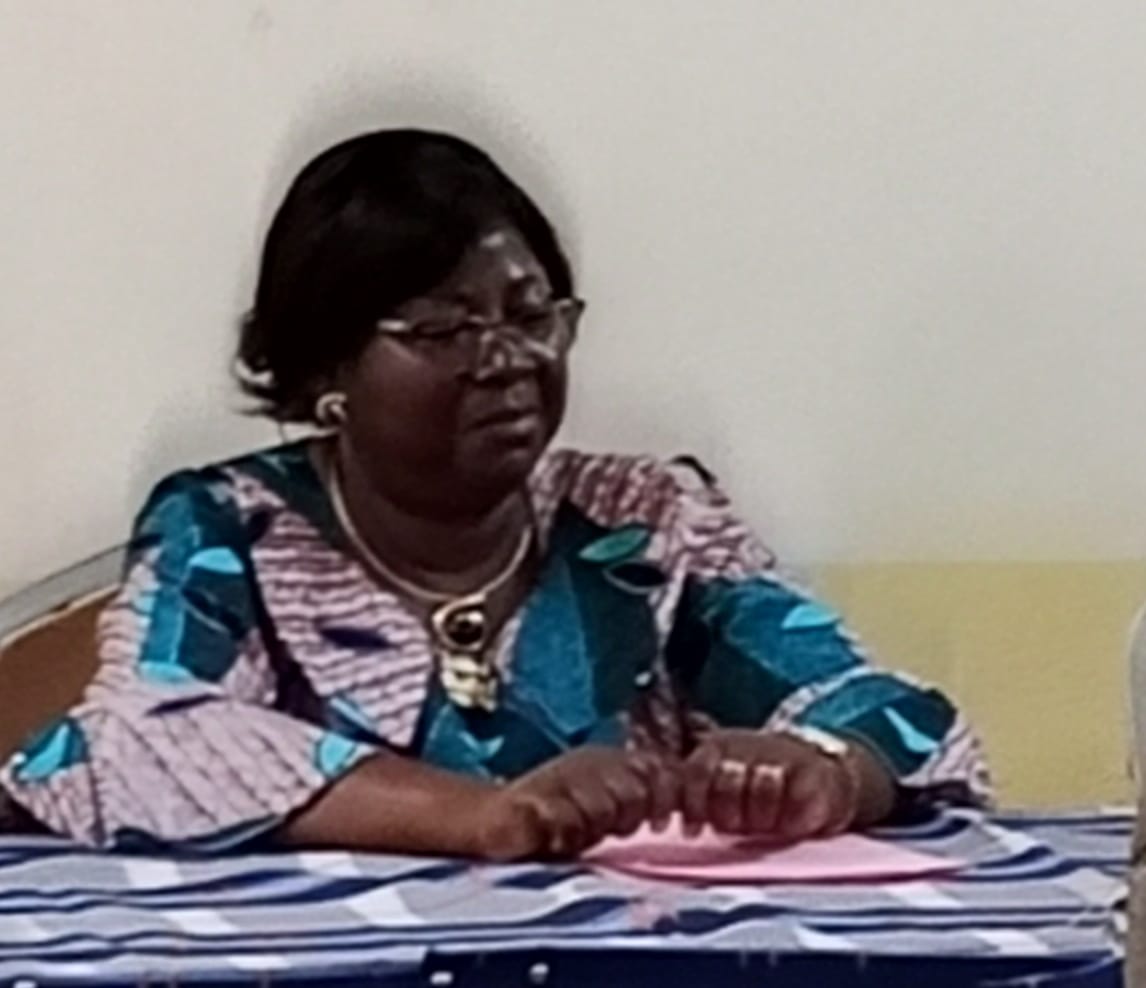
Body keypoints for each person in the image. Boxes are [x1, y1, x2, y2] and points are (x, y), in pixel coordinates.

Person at [0, 130, 990, 859]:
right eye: (443, 330)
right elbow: (138, 739)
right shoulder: (232, 529)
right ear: (325, 369)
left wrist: (824, 767)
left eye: (531, 315)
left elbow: (893, 709)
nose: (509, 358)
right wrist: (482, 815)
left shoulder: (643, 520)